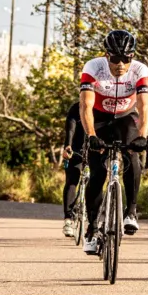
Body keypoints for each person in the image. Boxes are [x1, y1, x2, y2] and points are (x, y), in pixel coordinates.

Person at [80, 30, 148, 254]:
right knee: (97, 174)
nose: (121, 64)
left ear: (133, 57)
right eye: (115, 58)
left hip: (125, 118)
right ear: (106, 55)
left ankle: (131, 211)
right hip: (99, 119)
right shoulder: (93, 67)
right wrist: (91, 136)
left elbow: (145, 106)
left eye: (127, 58)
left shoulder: (140, 70)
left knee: (133, 156)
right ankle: (92, 229)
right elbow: (85, 106)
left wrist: (142, 135)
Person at [62, 101, 85, 237]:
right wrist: (68, 146)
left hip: (96, 149)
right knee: (72, 180)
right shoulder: (76, 107)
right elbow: (70, 128)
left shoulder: (104, 106)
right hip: (76, 149)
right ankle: (68, 219)